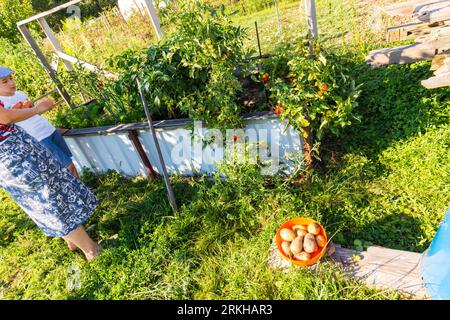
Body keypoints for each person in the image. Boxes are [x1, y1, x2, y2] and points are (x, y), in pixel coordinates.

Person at [0, 67, 101, 261]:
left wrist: (17, 113)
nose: (10, 82)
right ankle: (92, 251)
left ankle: (76, 241)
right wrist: (38, 109)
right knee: (48, 199)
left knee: (51, 195)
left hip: (17, 154)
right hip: (14, 158)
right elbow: (3, 117)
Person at [0, 66, 79, 177]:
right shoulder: (2, 104)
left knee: (70, 161)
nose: (11, 83)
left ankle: (83, 190)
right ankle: (81, 192)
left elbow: (33, 114)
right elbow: (9, 120)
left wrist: (41, 106)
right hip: (38, 137)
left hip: (49, 130)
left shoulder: (21, 94)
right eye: (5, 81)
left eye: (11, 78)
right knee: (67, 166)